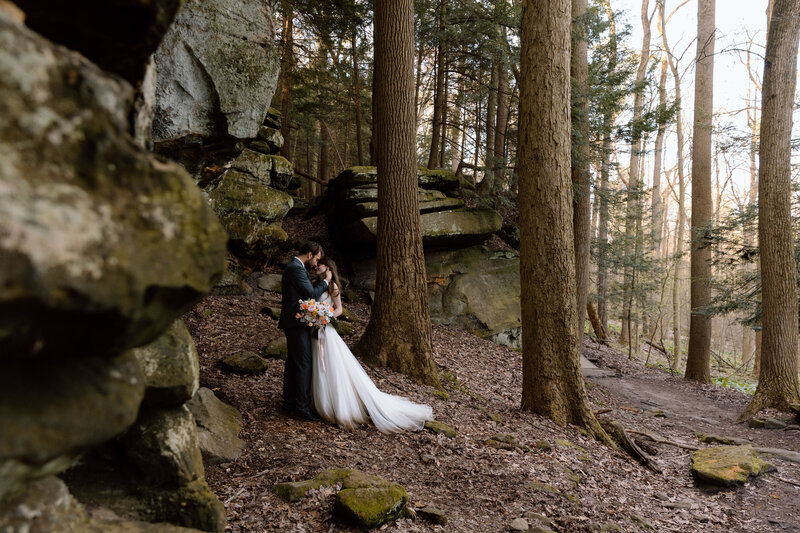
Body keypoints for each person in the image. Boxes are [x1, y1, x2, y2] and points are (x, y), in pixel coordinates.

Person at [310, 257, 433, 433]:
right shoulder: (316, 284)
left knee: (332, 367)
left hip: (326, 331)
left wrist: (326, 317)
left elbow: (339, 309)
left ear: (328, 267)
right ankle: (320, 403)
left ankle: (339, 406)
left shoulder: (333, 287)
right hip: (315, 330)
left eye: (319, 265)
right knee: (319, 366)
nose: (316, 267)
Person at [278, 241, 332, 421]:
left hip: (294, 322)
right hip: (295, 322)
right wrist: (326, 281)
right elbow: (311, 293)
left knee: (294, 362)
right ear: (309, 254)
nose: (316, 263)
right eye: (316, 258)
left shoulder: (296, 267)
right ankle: (301, 407)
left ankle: (289, 403)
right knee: (303, 363)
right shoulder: (296, 268)